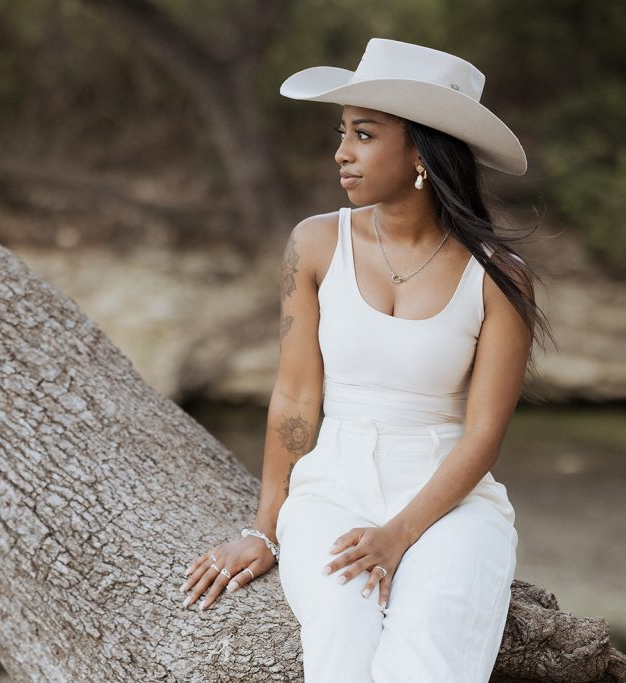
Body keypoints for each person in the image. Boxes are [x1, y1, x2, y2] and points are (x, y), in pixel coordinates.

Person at [179, 38, 552, 682]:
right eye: (342, 132)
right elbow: (296, 399)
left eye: (364, 133)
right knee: (341, 649)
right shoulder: (316, 244)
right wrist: (266, 530)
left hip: (452, 503)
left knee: (428, 660)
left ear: (422, 151)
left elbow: (484, 436)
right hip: (332, 491)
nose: (341, 153)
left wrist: (399, 533)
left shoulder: (499, 277)